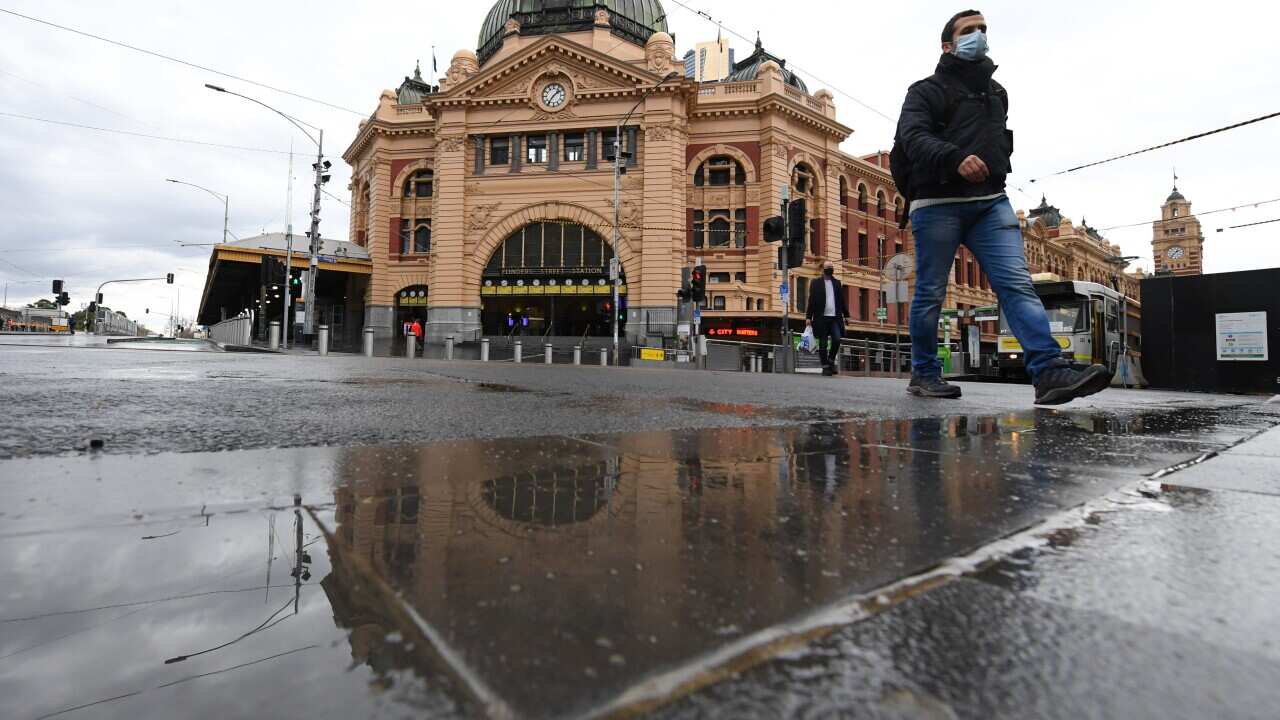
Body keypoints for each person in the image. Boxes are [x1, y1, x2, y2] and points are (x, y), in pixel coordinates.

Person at [890, 9, 1111, 405]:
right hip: (936, 203)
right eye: (968, 31)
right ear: (947, 44)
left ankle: (1048, 372)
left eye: (982, 29)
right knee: (930, 293)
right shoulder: (924, 91)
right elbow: (911, 138)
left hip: (990, 203)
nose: (979, 36)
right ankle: (924, 373)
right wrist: (954, 157)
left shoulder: (996, 93)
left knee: (1017, 285)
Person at [804, 261, 850, 376]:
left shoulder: (837, 283)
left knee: (837, 339)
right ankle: (825, 367)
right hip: (821, 318)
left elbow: (841, 300)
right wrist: (808, 317)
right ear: (823, 269)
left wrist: (847, 315)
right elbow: (811, 301)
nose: (830, 269)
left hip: (835, 318)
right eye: (828, 267)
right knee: (823, 344)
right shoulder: (815, 283)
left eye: (831, 267)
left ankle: (830, 360)